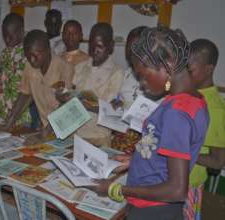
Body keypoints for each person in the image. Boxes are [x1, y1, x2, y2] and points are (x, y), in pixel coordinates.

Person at [91, 26, 209, 220]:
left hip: (153, 211)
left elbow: (177, 189)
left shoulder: (177, 112)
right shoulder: (194, 100)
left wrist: (118, 189)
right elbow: (168, 153)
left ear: (168, 64)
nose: (142, 84)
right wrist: (137, 161)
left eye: (144, 75)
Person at [183, 39, 225, 220]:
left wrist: (182, 152)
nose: (185, 74)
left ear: (208, 69)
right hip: (172, 178)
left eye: (189, 70)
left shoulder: (214, 109)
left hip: (188, 184)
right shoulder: (190, 93)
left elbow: (217, 161)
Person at [2, 30, 74, 132]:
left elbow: (64, 105)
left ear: (48, 50)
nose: (31, 60)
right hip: (46, 128)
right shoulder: (30, 67)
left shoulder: (63, 68)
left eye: (35, 56)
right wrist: (8, 123)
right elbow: (24, 94)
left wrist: (45, 133)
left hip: (65, 129)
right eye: (28, 56)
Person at [72, 22, 124, 146]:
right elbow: (72, 94)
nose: (94, 50)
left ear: (111, 46)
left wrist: (88, 105)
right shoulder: (80, 67)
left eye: (100, 46)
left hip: (99, 138)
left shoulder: (116, 72)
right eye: (91, 45)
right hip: (76, 135)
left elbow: (111, 109)